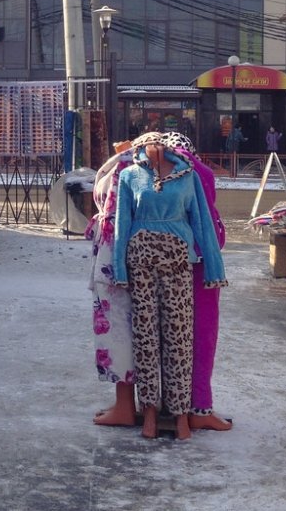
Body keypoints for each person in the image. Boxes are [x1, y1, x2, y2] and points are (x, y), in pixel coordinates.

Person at [110, 132, 227, 440]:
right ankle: (148, 412)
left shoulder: (188, 176)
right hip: (141, 265)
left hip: (178, 263)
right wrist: (120, 269)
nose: (155, 151)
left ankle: (180, 416)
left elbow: (202, 221)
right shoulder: (130, 176)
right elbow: (122, 223)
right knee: (145, 339)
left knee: (179, 340)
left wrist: (213, 267)